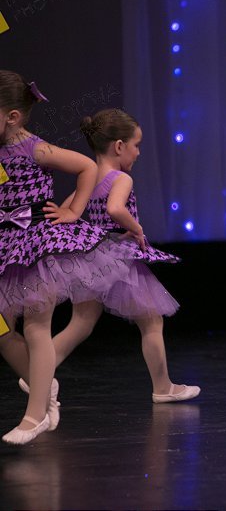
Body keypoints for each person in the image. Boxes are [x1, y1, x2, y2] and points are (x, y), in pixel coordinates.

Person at [33, 108, 199, 404]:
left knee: (81, 322)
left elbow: (70, 208)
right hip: (120, 258)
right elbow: (115, 209)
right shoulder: (121, 178)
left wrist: (65, 214)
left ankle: (34, 375)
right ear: (119, 146)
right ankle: (163, 388)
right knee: (152, 320)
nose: (138, 152)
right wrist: (137, 228)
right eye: (137, 145)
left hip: (92, 259)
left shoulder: (90, 179)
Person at [0, 71, 126, 444]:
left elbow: (87, 167)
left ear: (13, 117)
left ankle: (35, 416)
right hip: (6, 243)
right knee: (2, 329)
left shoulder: (34, 148)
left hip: (36, 244)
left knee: (36, 326)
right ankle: (43, 385)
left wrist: (73, 210)